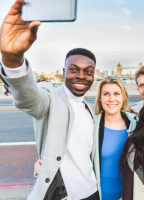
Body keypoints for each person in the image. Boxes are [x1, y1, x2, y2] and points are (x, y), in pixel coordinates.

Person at [0, 2, 99, 199]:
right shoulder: (50, 96)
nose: (81, 76)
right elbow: (30, 99)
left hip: (92, 192)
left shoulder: (89, 109)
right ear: (63, 72)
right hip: (61, 195)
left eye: (88, 72)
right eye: (74, 69)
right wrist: (12, 59)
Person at [35, 76, 138, 200]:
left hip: (128, 195)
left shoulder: (135, 123)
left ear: (123, 97)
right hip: (97, 195)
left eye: (116, 94)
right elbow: (66, 147)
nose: (111, 99)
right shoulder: (91, 122)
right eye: (106, 94)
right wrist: (43, 166)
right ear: (100, 98)